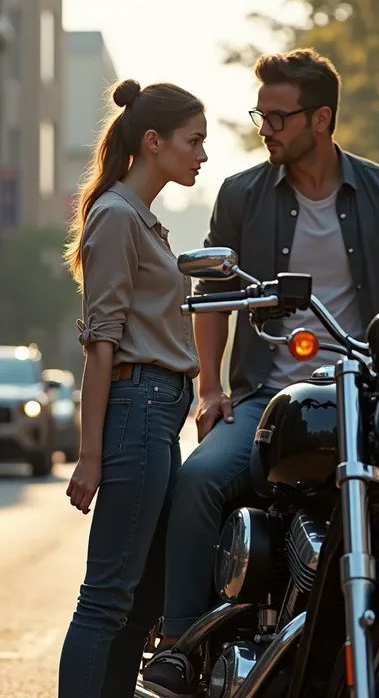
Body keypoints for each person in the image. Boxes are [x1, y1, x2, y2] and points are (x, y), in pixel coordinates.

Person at [142, 48, 379, 696]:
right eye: (260, 115)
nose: (265, 128)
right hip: (272, 396)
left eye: (279, 117)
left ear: (321, 119)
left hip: (373, 397)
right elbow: (212, 302)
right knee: (202, 478)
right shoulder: (241, 195)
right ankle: (181, 645)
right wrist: (211, 389)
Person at [58, 77, 207, 698]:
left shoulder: (142, 220)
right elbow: (101, 344)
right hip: (137, 411)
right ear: (153, 142)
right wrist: (89, 456)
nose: (202, 154)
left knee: (143, 595)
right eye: (193, 141)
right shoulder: (117, 216)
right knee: (107, 597)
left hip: (158, 415)